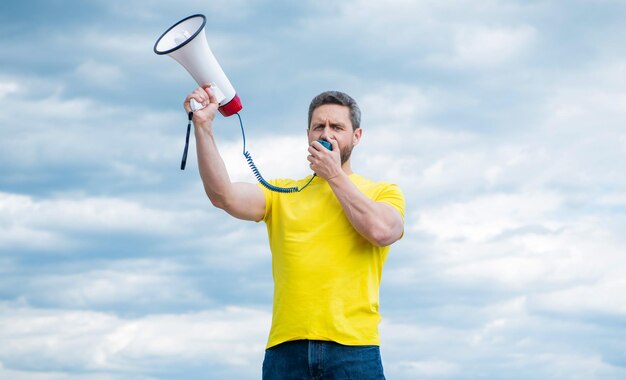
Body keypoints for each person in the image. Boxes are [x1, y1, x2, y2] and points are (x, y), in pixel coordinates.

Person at [185, 85, 405, 380]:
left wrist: (334, 176)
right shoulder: (282, 192)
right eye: (319, 127)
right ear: (308, 135)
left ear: (356, 136)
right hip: (286, 352)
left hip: (354, 349)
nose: (326, 135)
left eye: (337, 127)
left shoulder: (382, 192)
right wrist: (203, 127)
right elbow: (223, 196)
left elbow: (381, 231)